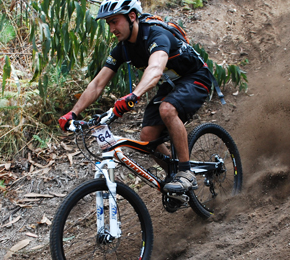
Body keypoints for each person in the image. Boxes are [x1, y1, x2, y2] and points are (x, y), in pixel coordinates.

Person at [58, 0, 216, 194]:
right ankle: (175, 180)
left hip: (196, 77)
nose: (112, 28)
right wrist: (72, 114)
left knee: (167, 109)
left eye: (115, 21)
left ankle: (185, 173)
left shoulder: (157, 35)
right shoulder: (123, 49)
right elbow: (98, 84)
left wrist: (134, 95)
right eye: (108, 23)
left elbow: (156, 68)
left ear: (132, 16)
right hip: (172, 84)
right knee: (148, 136)